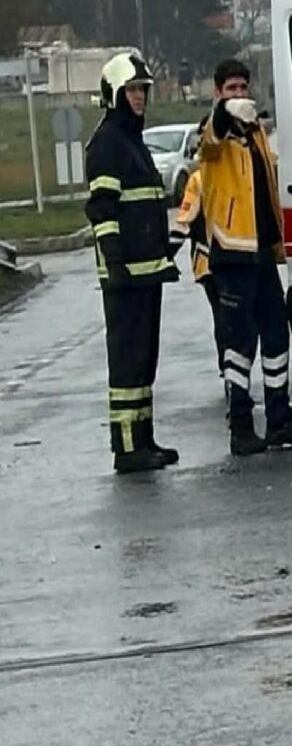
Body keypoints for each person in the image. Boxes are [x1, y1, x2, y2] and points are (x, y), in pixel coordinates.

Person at [184, 58, 292, 456]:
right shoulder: (216, 132)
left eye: (243, 87)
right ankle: (241, 425)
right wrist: (224, 113)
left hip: (260, 250)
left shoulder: (256, 131)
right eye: (231, 89)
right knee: (239, 342)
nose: (239, 94)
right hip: (231, 253)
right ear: (217, 93)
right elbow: (209, 140)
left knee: (276, 333)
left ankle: (280, 418)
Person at [86, 51, 181, 474]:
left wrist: (164, 253)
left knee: (144, 360)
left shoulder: (132, 140)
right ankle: (126, 448)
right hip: (125, 275)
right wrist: (116, 262)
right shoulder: (108, 143)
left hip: (146, 272)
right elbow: (103, 209)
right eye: (132, 91)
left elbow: (143, 207)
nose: (140, 97)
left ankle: (143, 438)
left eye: (142, 90)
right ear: (114, 95)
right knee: (126, 361)